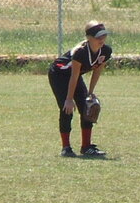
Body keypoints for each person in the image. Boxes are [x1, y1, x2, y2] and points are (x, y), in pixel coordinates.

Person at [48, 20, 112, 157]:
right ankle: (66, 147)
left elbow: (97, 71)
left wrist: (90, 93)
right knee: (67, 109)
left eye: (104, 35)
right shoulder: (80, 52)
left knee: (87, 107)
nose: (102, 39)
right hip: (59, 74)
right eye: (98, 36)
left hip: (74, 77)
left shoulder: (105, 51)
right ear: (89, 38)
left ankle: (86, 146)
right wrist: (69, 99)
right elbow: (73, 75)